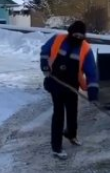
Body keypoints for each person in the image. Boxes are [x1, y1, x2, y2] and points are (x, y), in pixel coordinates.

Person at [40, 20, 100, 160]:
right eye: (75, 35)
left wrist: (92, 91)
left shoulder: (85, 49)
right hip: (55, 81)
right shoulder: (58, 39)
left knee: (72, 111)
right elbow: (45, 51)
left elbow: (92, 72)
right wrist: (44, 66)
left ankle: (71, 134)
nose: (77, 38)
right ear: (70, 33)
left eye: (81, 36)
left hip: (72, 84)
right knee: (58, 113)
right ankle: (56, 147)